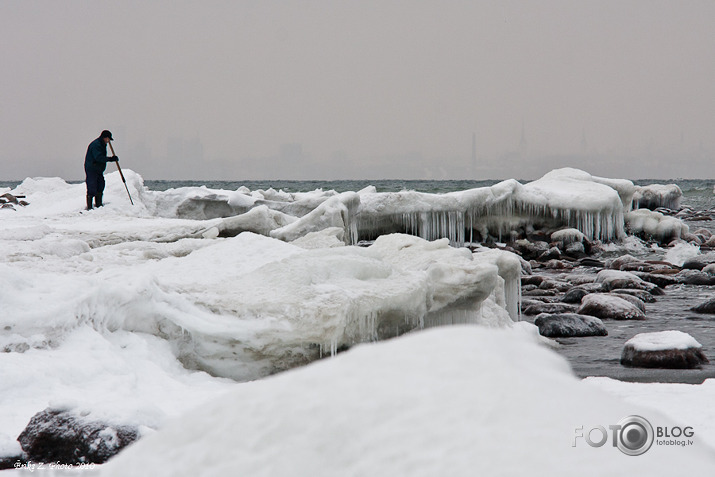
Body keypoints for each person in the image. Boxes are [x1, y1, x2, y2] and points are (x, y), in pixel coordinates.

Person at [84, 130, 119, 210]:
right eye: (108, 139)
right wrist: (110, 159)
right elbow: (98, 157)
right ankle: (89, 208)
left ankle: (99, 205)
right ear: (105, 138)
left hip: (98, 169)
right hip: (92, 169)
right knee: (92, 187)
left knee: (100, 186)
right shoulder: (96, 145)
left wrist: (110, 159)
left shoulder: (102, 144)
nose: (109, 141)